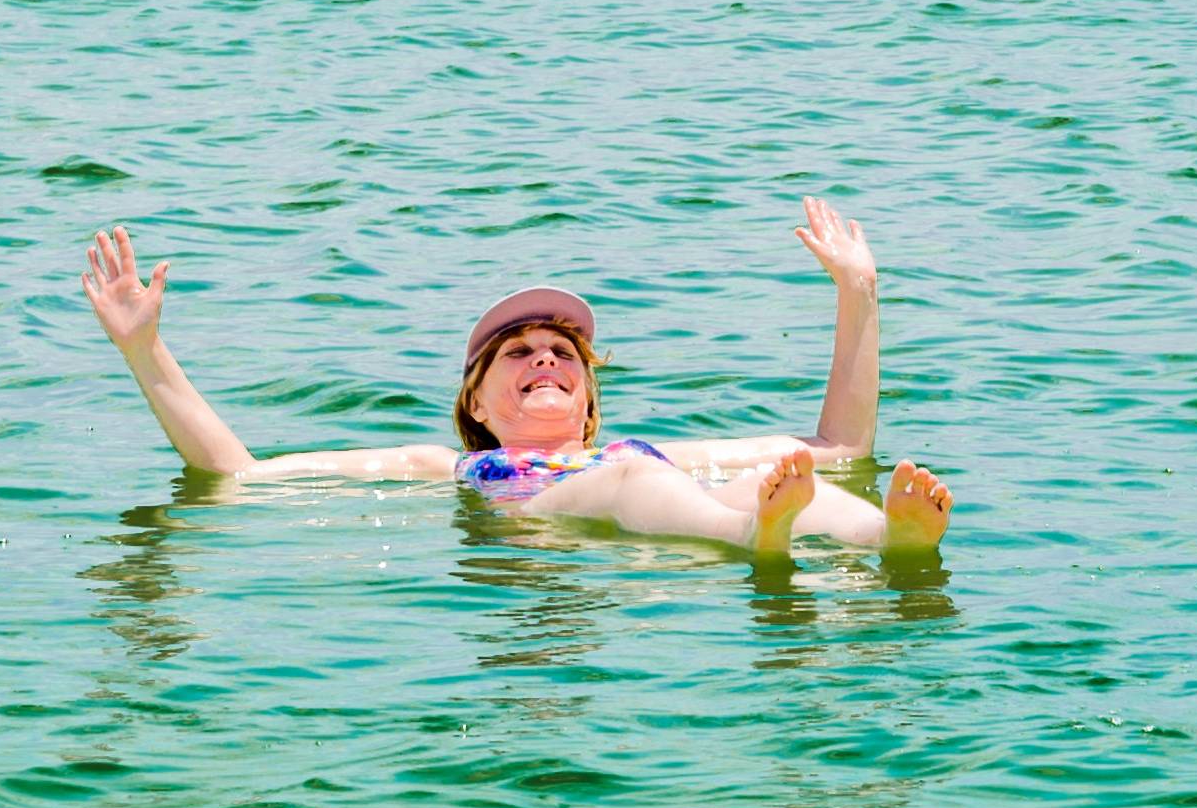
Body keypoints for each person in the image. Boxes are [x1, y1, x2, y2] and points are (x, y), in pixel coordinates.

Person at [78, 195, 951, 567]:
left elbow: (840, 447)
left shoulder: (632, 447)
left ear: (589, 397)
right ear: (478, 404)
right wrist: (145, 351)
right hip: (575, 524)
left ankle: (894, 546)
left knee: (797, 487)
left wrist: (859, 291)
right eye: (520, 352)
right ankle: (761, 539)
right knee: (647, 477)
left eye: (563, 353)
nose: (544, 359)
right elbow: (238, 475)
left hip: (687, 520)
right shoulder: (447, 467)